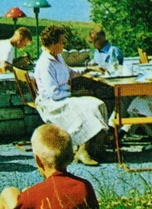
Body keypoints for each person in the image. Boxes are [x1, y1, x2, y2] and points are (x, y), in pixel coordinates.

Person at [32, 25, 110, 166]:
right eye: (61, 42)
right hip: (52, 103)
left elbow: (69, 72)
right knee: (84, 109)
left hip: (64, 97)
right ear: (53, 44)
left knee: (98, 104)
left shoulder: (58, 57)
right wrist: (75, 93)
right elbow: (54, 93)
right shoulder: (45, 63)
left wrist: (88, 69)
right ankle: (83, 150)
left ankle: (98, 147)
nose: (64, 44)